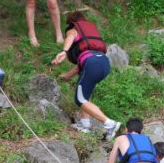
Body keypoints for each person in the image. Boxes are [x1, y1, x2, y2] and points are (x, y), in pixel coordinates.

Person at [51, 11, 121, 140]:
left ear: (72, 22)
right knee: (85, 94)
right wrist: (67, 75)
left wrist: (64, 51)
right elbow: (81, 66)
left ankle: (109, 123)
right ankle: (85, 125)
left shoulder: (74, 28)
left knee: (80, 99)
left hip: (92, 63)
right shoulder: (90, 32)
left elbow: (70, 37)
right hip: (103, 63)